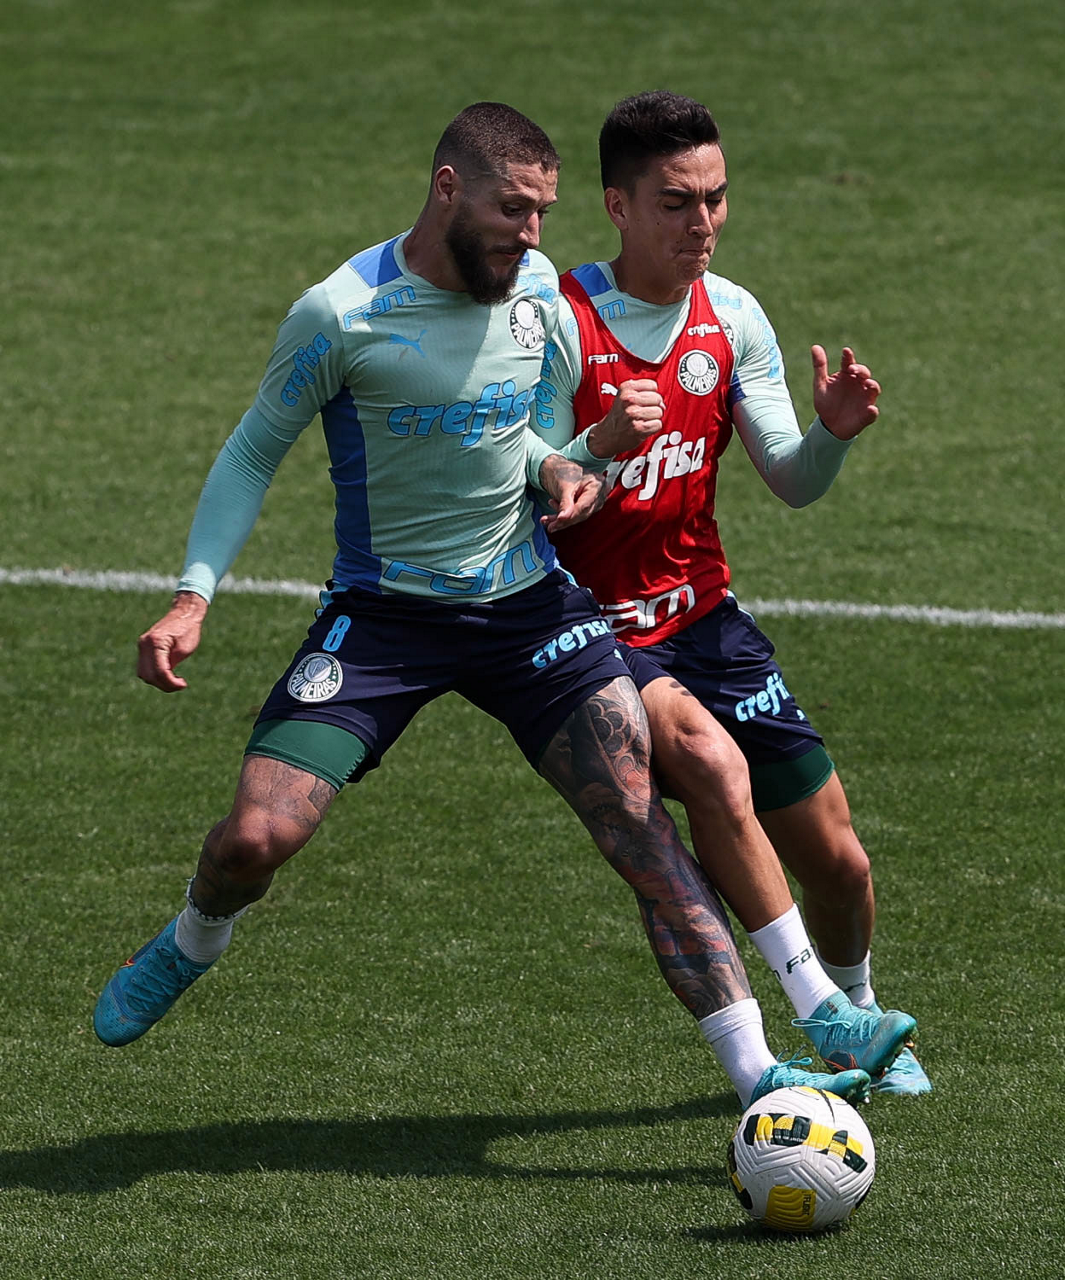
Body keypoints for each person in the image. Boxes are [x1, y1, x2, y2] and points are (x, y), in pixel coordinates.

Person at [94, 102, 910, 1109]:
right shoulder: (341, 313)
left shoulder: (534, 294)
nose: (532, 236)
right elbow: (254, 449)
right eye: (514, 211)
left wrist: (569, 464)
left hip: (530, 609)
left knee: (641, 825)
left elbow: (517, 441)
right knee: (253, 840)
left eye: (542, 215)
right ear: (448, 189)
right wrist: (192, 595)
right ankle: (193, 937)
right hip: (385, 617)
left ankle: (762, 1073)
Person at [534, 90, 930, 1094]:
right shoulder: (563, 323)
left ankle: (859, 1021)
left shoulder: (734, 316)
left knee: (840, 862)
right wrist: (594, 451)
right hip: (593, 634)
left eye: (714, 197)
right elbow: (522, 491)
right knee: (711, 765)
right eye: (676, 202)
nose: (702, 220)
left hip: (705, 621)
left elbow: (790, 481)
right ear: (619, 206)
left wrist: (829, 434)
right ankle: (822, 1012)